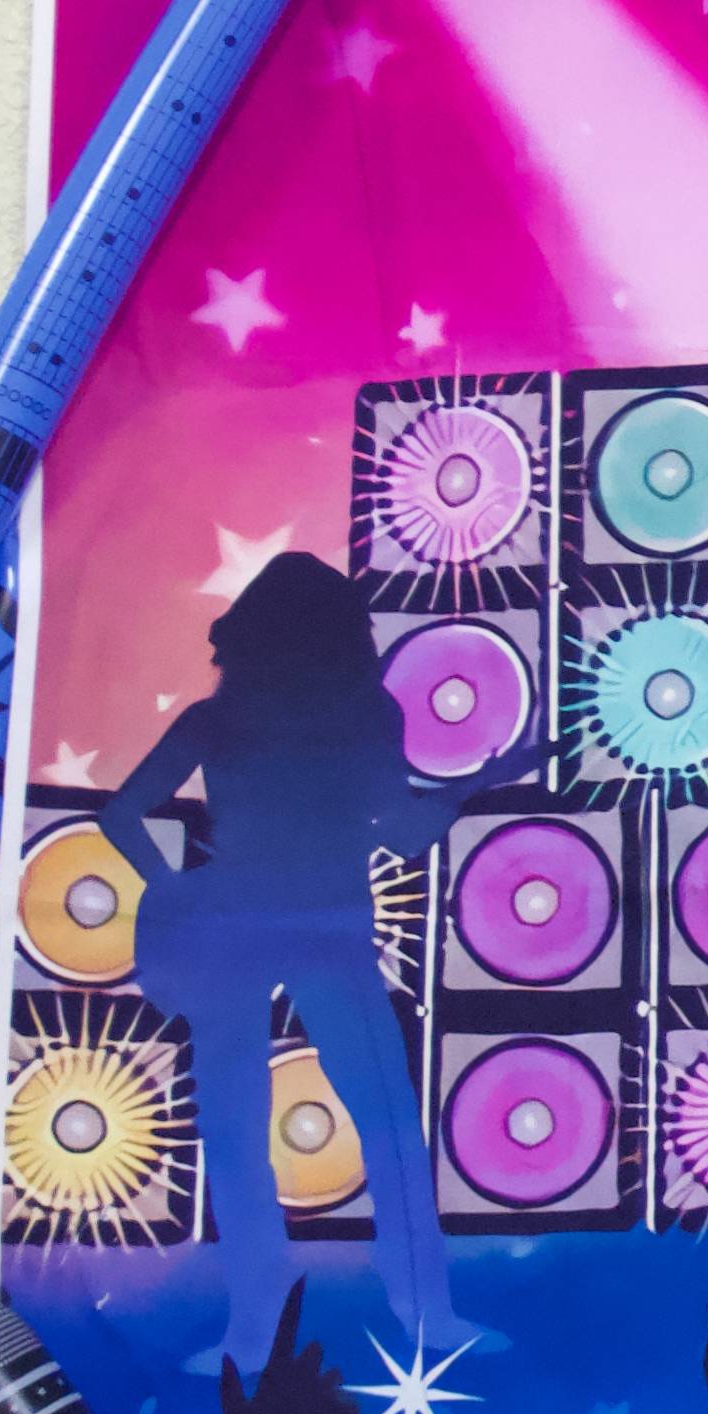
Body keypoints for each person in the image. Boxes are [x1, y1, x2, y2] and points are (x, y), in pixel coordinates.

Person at [97, 552, 475, 1361]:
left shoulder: (214, 720)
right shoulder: (368, 716)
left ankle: (253, 1329)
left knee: (233, 1130)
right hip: (332, 932)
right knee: (387, 1123)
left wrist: (173, 888)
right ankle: (428, 1314)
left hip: (230, 931)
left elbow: (120, 814)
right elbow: (403, 834)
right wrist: (462, 794)